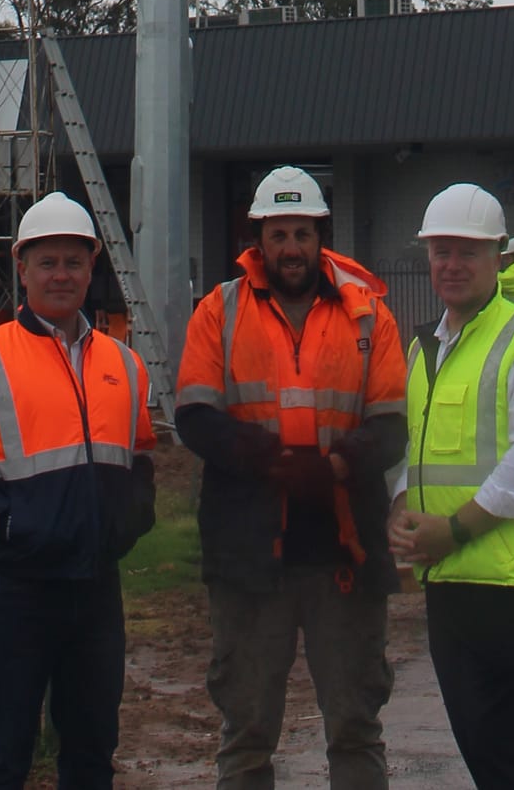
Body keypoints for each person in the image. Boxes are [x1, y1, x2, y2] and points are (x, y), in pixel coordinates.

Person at [0, 192, 157, 790]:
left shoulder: (124, 364)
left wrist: (129, 522)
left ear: (91, 267)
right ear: (22, 269)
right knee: (4, 753)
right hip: (17, 588)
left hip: (96, 588)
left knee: (92, 750)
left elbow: (142, 457)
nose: (61, 275)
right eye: (47, 262)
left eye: (74, 261)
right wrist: (14, 526)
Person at [176, 166, 408, 790]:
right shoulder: (217, 312)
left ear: (319, 235)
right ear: (258, 239)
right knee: (246, 735)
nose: (291, 248)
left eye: (301, 233)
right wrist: (269, 460)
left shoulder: (369, 315)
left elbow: (391, 428)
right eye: (277, 234)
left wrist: (333, 465)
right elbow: (195, 417)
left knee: (356, 730)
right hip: (250, 555)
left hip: (344, 553)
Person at [389, 183, 514, 790]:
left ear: (499, 257)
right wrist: (399, 507)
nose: (452, 264)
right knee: (488, 758)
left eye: (467, 251)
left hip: (506, 580)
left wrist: (453, 530)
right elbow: (412, 450)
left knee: (502, 759)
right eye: (441, 251)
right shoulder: (427, 349)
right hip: (448, 578)